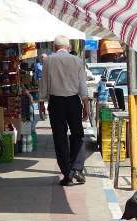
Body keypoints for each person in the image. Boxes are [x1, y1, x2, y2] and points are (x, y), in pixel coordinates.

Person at [39, 35, 89, 186]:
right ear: (69, 48)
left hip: (56, 102)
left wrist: (42, 103)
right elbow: (82, 85)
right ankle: (77, 168)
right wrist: (86, 105)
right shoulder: (77, 61)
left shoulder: (49, 60)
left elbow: (44, 82)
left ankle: (67, 173)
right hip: (73, 101)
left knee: (60, 138)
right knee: (78, 135)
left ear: (54, 48)